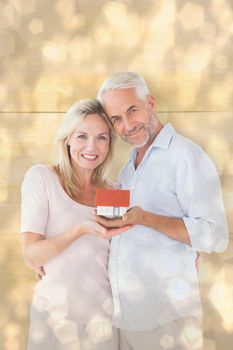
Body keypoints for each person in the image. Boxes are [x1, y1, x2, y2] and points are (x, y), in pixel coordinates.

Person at [95, 72, 229, 350]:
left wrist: (148, 219)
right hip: (126, 319)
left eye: (132, 110)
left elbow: (216, 236)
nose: (127, 125)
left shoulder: (186, 156)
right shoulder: (128, 167)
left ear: (150, 103)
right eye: (116, 119)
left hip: (167, 321)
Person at [20, 99, 130, 350]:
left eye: (102, 138)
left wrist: (189, 249)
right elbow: (31, 255)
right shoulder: (42, 178)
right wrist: (80, 230)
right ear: (67, 138)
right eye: (82, 136)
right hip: (53, 321)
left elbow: (132, 247)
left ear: (109, 144)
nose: (92, 147)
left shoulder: (114, 191)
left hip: (103, 324)